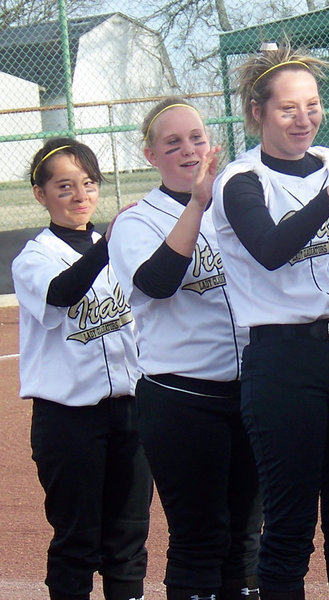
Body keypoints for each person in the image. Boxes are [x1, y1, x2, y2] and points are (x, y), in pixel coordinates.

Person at [211, 45, 329, 600]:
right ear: (257, 112)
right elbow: (270, 249)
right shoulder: (241, 180)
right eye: (287, 108)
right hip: (284, 361)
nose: (303, 118)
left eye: (311, 105)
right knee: (289, 524)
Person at [107, 98, 261, 600]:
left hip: (251, 391)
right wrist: (196, 204)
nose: (189, 150)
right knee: (200, 539)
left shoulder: (236, 206)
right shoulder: (137, 222)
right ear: (151, 156)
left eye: (196, 138)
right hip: (182, 398)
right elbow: (157, 282)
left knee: (247, 540)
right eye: (172, 143)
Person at [12, 138, 151, 600]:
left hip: (130, 411)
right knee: (77, 541)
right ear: (41, 194)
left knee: (128, 540)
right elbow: (62, 292)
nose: (80, 195)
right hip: (68, 420)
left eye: (88, 184)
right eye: (65, 186)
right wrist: (109, 245)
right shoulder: (34, 258)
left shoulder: (114, 248)